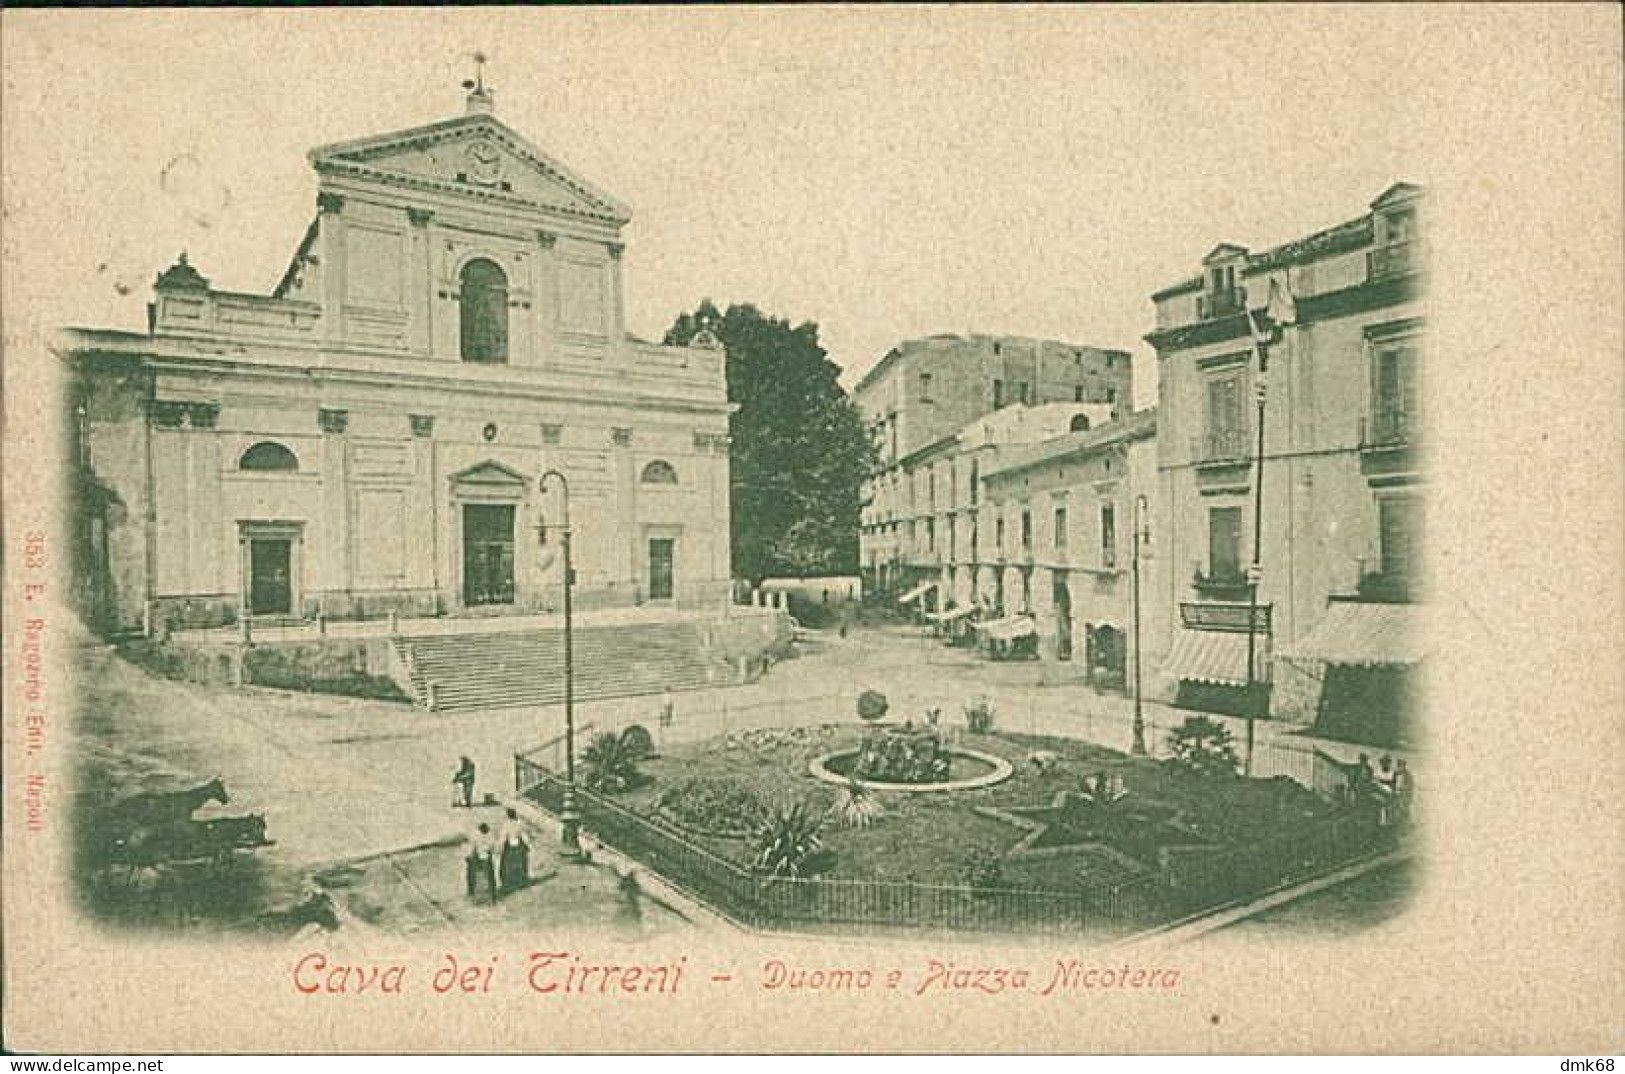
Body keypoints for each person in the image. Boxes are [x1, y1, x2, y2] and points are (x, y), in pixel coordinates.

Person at [498, 808, 530, 895]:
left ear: (508, 815)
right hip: (519, 845)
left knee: (508, 864)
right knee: (520, 863)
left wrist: (500, 846)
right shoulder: (519, 823)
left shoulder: (506, 824)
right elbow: (524, 835)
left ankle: (510, 881)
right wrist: (527, 845)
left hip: (509, 846)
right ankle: (520, 881)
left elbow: (503, 837)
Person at [466, 822, 497, 903]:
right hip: (485, 857)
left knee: (477, 877)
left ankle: (477, 895)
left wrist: (469, 856)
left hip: (480, 857)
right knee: (489, 877)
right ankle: (490, 896)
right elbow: (492, 847)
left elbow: (473, 847)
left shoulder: (477, 836)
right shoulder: (489, 836)